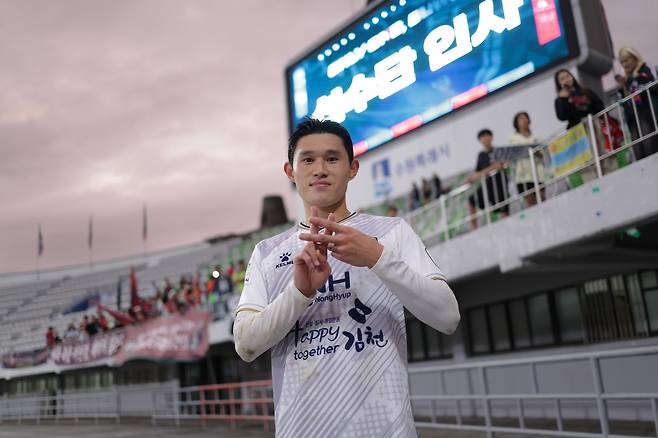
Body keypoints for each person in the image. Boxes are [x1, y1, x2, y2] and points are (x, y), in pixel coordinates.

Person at [233, 118, 460, 437]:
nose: (320, 169)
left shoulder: (391, 233)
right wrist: (299, 293)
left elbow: (448, 317)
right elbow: (245, 344)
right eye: (308, 159)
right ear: (290, 171)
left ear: (352, 168)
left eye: (332, 158)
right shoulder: (267, 253)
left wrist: (376, 257)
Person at [616, 46, 658, 160]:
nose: (625, 64)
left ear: (635, 57)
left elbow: (653, 86)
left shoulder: (645, 69)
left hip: (648, 117)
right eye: (622, 62)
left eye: (627, 60)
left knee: (651, 150)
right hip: (633, 120)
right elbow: (624, 103)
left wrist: (635, 80)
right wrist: (622, 88)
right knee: (639, 153)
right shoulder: (626, 79)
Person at [467, 129, 510, 230]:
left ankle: (508, 226)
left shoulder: (498, 151)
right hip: (487, 185)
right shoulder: (481, 155)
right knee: (472, 199)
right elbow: (477, 173)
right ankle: (473, 228)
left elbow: (501, 164)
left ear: (491, 137)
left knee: (504, 207)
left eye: (487, 136)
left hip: (500, 184)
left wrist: (484, 172)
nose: (485, 139)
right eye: (482, 137)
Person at [508, 111, 545, 207]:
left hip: (537, 174)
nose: (524, 120)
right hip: (522, 176)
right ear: (516, 123)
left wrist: (536, 153)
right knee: (530, 204)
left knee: (542, 199)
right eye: (520, 118)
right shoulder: (513, 139)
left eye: (525, 118)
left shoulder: (537, 137)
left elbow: (542, 155)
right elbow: (513, 155)